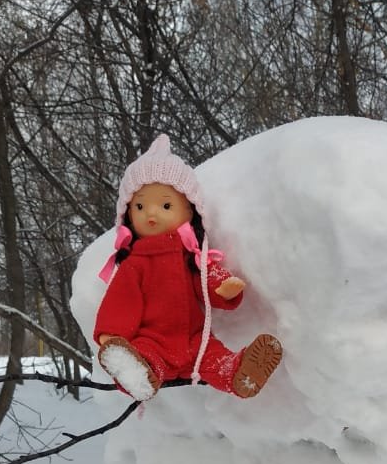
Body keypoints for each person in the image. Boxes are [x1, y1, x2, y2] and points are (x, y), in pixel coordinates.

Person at [94, 135, 282, 402]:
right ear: (128, 214)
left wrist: (222, 287)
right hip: (153, 341)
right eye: (140, 206)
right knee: (146, 359)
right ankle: (135, 373)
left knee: (215, 358)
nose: (151, 214)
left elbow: (203, 278)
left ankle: (239, 372)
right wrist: (111, 333)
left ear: (189, 211)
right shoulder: (134, 264)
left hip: (196, 341)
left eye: (166, 205)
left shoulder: (191, 256)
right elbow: (122, 300)